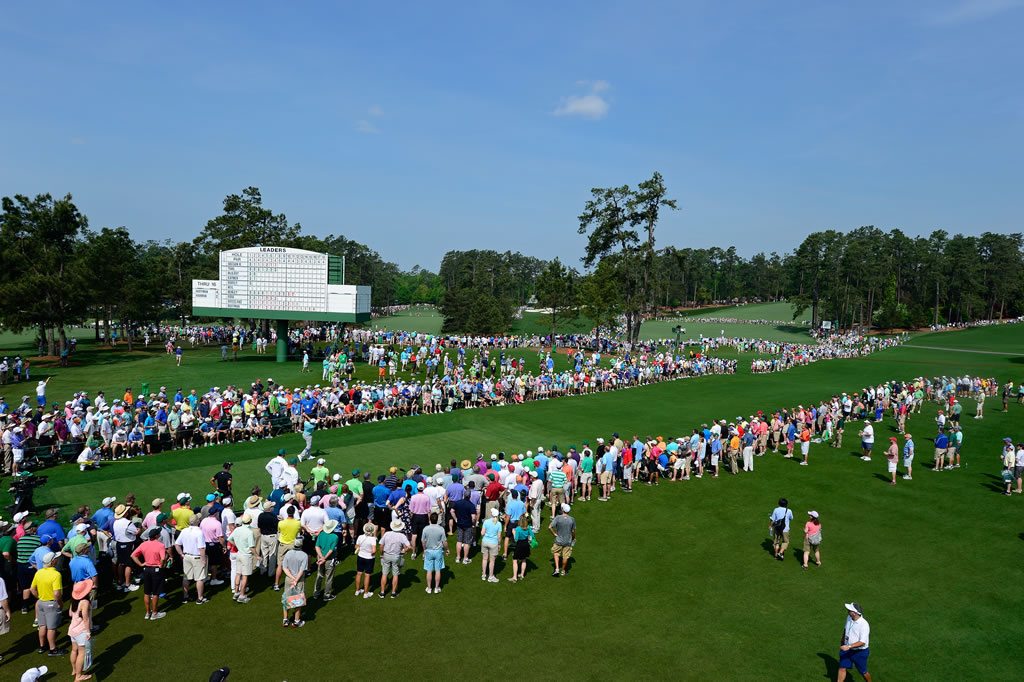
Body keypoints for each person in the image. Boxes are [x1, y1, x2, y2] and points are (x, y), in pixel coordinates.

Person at [31, 551, 67, 656]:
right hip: (51, 604)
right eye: (56, 558)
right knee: (51, 628)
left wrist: (40, 597)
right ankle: (53, 649)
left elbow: (32, 589)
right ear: (53, 561)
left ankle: (42, 647)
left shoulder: (39, 572)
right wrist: (60, 603)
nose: (57, 559)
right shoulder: (56, 574)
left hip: (41, 603)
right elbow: (56, 593)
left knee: (42, 626)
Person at [131, 528, 167, 620]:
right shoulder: (160, 545)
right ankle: (154, 613)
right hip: (156, 570)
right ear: (156, 536)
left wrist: (141, 564)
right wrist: (162, 565)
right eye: (158, 533)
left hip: (146, 569)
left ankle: (148, 613)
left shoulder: (144, 544)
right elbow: (163, 558)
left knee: (147, 592)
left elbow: (133, 555)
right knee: (155, 593)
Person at [174, 516, 208, 604]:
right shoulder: (199, 532)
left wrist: (181, 554)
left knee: (186, 578)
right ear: (198, 521)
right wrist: (203, 560)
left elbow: (177, 544)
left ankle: (185, 597)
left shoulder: (184, 531)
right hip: (197, 557)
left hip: (186, 557)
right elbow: (201, 548)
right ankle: (200, 598)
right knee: (199, 578)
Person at [837, 602, 872, 681]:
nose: (847, 611)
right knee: (842, 667)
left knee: (863, 672)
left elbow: (862, 642)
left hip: (859, 652)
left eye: (849, 610)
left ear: (855, 613)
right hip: (847, 649)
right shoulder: (849, 617)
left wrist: (848, 646)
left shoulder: (864, 625)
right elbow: (846, 628)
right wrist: (842, 638)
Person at [68, 578, 93, 681]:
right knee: (82, 653)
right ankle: (78, 676)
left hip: (72, 630)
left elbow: (70, 613)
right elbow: (86, 618)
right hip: (81, 631)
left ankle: (74, 670)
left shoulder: (74, 600)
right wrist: (88, 632)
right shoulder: (85, 602)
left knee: (74, 650)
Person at [379, 519, 411, 598]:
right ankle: (393, 593)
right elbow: (409, 547)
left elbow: (381, 546)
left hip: (386, 555)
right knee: (395, 574)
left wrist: (381, 554)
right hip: (396, 556)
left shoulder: (387, 534)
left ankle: (382, 592)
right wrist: (403, 551)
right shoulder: (402, 536)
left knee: (384, 574)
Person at [227, 514, 256, 603]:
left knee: (238, 573)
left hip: (239, 554)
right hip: (246, 555)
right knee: (244, 576)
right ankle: (242, 595)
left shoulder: (237, 530)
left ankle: (236, 593)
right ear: (250, 521)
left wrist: (237, 545)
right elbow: (251, 547)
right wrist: (257, 555)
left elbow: (229, 539)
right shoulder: (249, 532)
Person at [280, 539, 307, 627]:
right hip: (298, 581)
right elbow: (301, 570)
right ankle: (296, 621)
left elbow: (284, 568)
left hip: (288, 579)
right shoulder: (304, 555)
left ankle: (285, 619)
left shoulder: (288, 553)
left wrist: (291, 578)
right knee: (298, 600)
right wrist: (295, 580)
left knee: (286, 599)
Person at [421, 512, 448, 594]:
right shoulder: (441, 529)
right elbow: (444, 541)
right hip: (438, 551)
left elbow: (423, 541)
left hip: (428, 551)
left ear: (430, 519)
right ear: (437, 520)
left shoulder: (425, 528)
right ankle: (436, 588)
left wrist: (424, 550)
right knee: (437, 570)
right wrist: (447, 549)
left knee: (429, 570)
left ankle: (429, 588)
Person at [312, 518, 338, 601]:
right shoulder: (335, 537)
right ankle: (327, 595)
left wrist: (321, 557)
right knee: (329, 577)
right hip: (329, 559)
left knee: (319, 576)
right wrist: (324, 558)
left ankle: (316, 593)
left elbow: (317, 546)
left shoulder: (321, 534)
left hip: (320, 558)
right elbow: (331, 550)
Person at [549, 503, 576, 577]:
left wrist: (554, 533)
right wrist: (573, 538)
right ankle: (563, 571)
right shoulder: (572, 519)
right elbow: (573, 531)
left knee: (556, 553)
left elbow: (550, 527)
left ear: (562, 510)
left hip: (559, 540)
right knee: (565, 556)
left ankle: (557, 569)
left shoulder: (558, 518)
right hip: (568, 541)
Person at [354, 523, 377, 598]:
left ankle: (357, 591)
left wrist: (361, 549)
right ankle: (366, 593)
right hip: (369, 558)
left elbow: (356, 546)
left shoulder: (360, 537)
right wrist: (370, 552)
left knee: (359, 573)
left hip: (360, 557)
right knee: (367, 575)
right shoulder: (373, 539)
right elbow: (373, 551)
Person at [509, 516, 534, 582]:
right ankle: (522, 575)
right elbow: (532, 535)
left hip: (519, 545)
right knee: (524, 559)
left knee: (515, 560)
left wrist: (514, 533)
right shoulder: (528, 528)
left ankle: (515, 577)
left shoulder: (518, 529)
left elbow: (516, 539)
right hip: (526, 545)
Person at [479, 508, 502, 583]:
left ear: (492, 514)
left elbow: (482, 533)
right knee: (492, 561)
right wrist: (499, 544)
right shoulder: (499, 524)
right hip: (494, 543)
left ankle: (483, 574)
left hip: (485, 542)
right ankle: (491, 576)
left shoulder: (486, 521)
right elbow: (499, 536)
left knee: (485, 559)